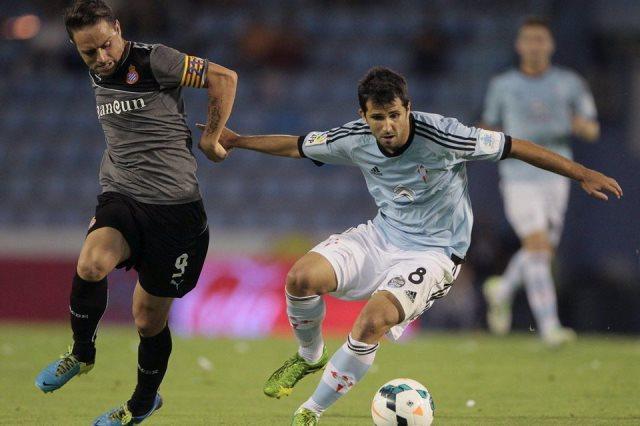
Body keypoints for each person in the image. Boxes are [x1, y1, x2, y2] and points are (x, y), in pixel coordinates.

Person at [205, 67, 621, 425]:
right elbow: (296, 146)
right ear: (363, 116)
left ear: (407, 108)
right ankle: (309, 356)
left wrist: (580, 171)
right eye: (377, 117)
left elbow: (515, 147)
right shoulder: (353, 137)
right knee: (300, 277)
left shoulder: (444, 135)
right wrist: (239, 142)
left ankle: (312, 410)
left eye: (394, 115)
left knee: (370, 323)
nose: (387, 126)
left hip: (435, 253)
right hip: (381, 235)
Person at [34, 1, 236, 424]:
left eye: (107, 45)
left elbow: (224, 77)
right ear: (77, 48)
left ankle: (142, 403)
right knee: (91, 264)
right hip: (122, 194)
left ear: (119, 29)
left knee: (147, 320)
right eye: (89, 52)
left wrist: (211, 138)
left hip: (176, 213)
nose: (101, 58)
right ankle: (81, 354)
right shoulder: (95, 66)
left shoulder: (153, 59)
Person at [481, 17, 600, 346]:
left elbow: (592, 127)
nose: (534, 45)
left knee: (542, 251)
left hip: (557, 175)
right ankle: (549, 327)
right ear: (519, 45)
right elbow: (487, 126)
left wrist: (576, 124)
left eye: (540, 40)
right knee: (535, 244)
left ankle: (502, 289)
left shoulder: (570, 83)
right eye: (529, 40)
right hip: (518, 173)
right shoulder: (503, 85)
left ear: (550, 45)